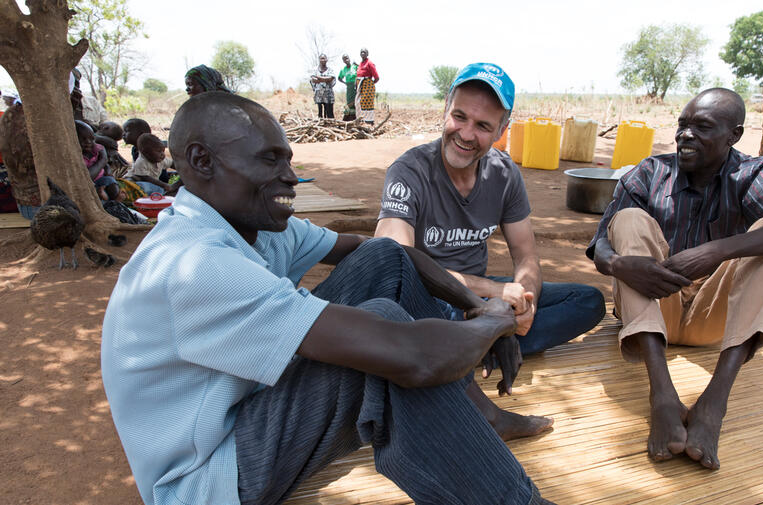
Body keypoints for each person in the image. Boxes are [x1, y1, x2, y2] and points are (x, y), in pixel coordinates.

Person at [101, 91, 554, 505]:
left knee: (382, 259)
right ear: (201, 161)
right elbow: (416, 356)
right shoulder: (195, 266)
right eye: (270, 160)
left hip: (242, 412)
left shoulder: (247, 224)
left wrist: (472, 305)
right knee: (381, 345)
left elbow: (390, 254)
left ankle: (480, 414)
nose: (291, 177)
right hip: (207, 478)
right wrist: (497, 321)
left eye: (289, 160)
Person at [586, 88, 763, 470]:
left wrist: (717, 250)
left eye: (702, 127)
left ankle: (713, 403)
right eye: (683, 125)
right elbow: (601, 242)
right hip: (654, 308)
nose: (686, 135)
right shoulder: (650, 172)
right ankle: (663, 397)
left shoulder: (755, 173)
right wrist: (618, 265)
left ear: (734, 135)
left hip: (714, 319)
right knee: (628, 219)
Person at [375, 62, 605, 439]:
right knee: (412, 320)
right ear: (445, 110)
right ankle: (481, 346)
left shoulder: (504, 174)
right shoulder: (409, 172)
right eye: (459, 117)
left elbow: (526, 255)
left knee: (588, 301)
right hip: (431, 300)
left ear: (502, 130)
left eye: (483, 126)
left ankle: (478, 347)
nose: (465, 134)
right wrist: (495, 296)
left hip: (482, 305)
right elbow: (393, 261)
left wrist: (521, 303)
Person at [76, 120, 119, 201]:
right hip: (90, 184)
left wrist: (108, 171)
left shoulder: (96, 149)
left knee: (112, 184)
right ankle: (103, 196)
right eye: (83, 139)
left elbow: (105, 163)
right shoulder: (77, 155)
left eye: (92, 139)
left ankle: (115, 198)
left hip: (102, 179)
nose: (88, 142)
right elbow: (86, 177)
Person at [355, 48, 379, 124]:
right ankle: (360, 119)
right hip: (360, 85)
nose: (362, 54)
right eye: (361, 52)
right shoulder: (360, 64)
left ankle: (369, 121)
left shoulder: (370, 63)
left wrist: (370, 85)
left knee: (367, 102)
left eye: (364, 52)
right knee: (358, 102)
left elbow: (377, 77)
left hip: (367, 85)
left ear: (367, 54)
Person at [309, 54, 336, 119]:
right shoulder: (315, 69)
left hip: (328, 95)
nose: (323, 60)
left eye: (324, 58)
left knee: (329, 114)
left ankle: (331, 127)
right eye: (321, 58)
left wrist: (319, 77)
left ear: (327, 60)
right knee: (320, 114)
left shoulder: (330, 70)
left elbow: (330, 79)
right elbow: (313, 80)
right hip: (319, 95)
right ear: (319, 60)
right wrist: (324, 79)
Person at [337, 54, 358, 120]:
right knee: (349, 102)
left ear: (349, 58)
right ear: (343, 61)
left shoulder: (354, 66)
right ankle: (349, 118)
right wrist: (345, 83)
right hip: (349, 87)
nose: (346, 60)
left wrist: (357, 64)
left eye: (347, 58)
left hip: (355, 86)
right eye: (344, 59)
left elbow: (361, 70)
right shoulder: (343, 69)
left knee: (356, 102)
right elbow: (339, 78)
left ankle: (355, 118)